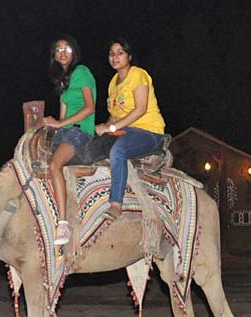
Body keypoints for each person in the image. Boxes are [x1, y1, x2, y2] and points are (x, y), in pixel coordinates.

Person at [94, 38, 166, 220]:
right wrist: (103, 128)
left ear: (129, 56)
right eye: (111, 53)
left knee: (118, 151)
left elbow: (140, 108)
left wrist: (111, 127)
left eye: (120, 53)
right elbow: (115, 113)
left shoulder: (138, 74)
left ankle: (116, 204)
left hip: (148, 130)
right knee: (94, 146)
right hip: (125, 130)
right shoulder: (113, 83)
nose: (114, 57)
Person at [42, 34, 96, 246]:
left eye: (67, 49)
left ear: (74, 53)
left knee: (55, 164)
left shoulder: (82, 72)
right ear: (54, 55)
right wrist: (52, 126)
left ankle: (63, 223)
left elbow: (89, 107)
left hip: (80, 129)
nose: (63, 52)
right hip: (67, 129)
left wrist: (59, 124)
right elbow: (62, 117)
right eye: (59, 49)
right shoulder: (63, 81)